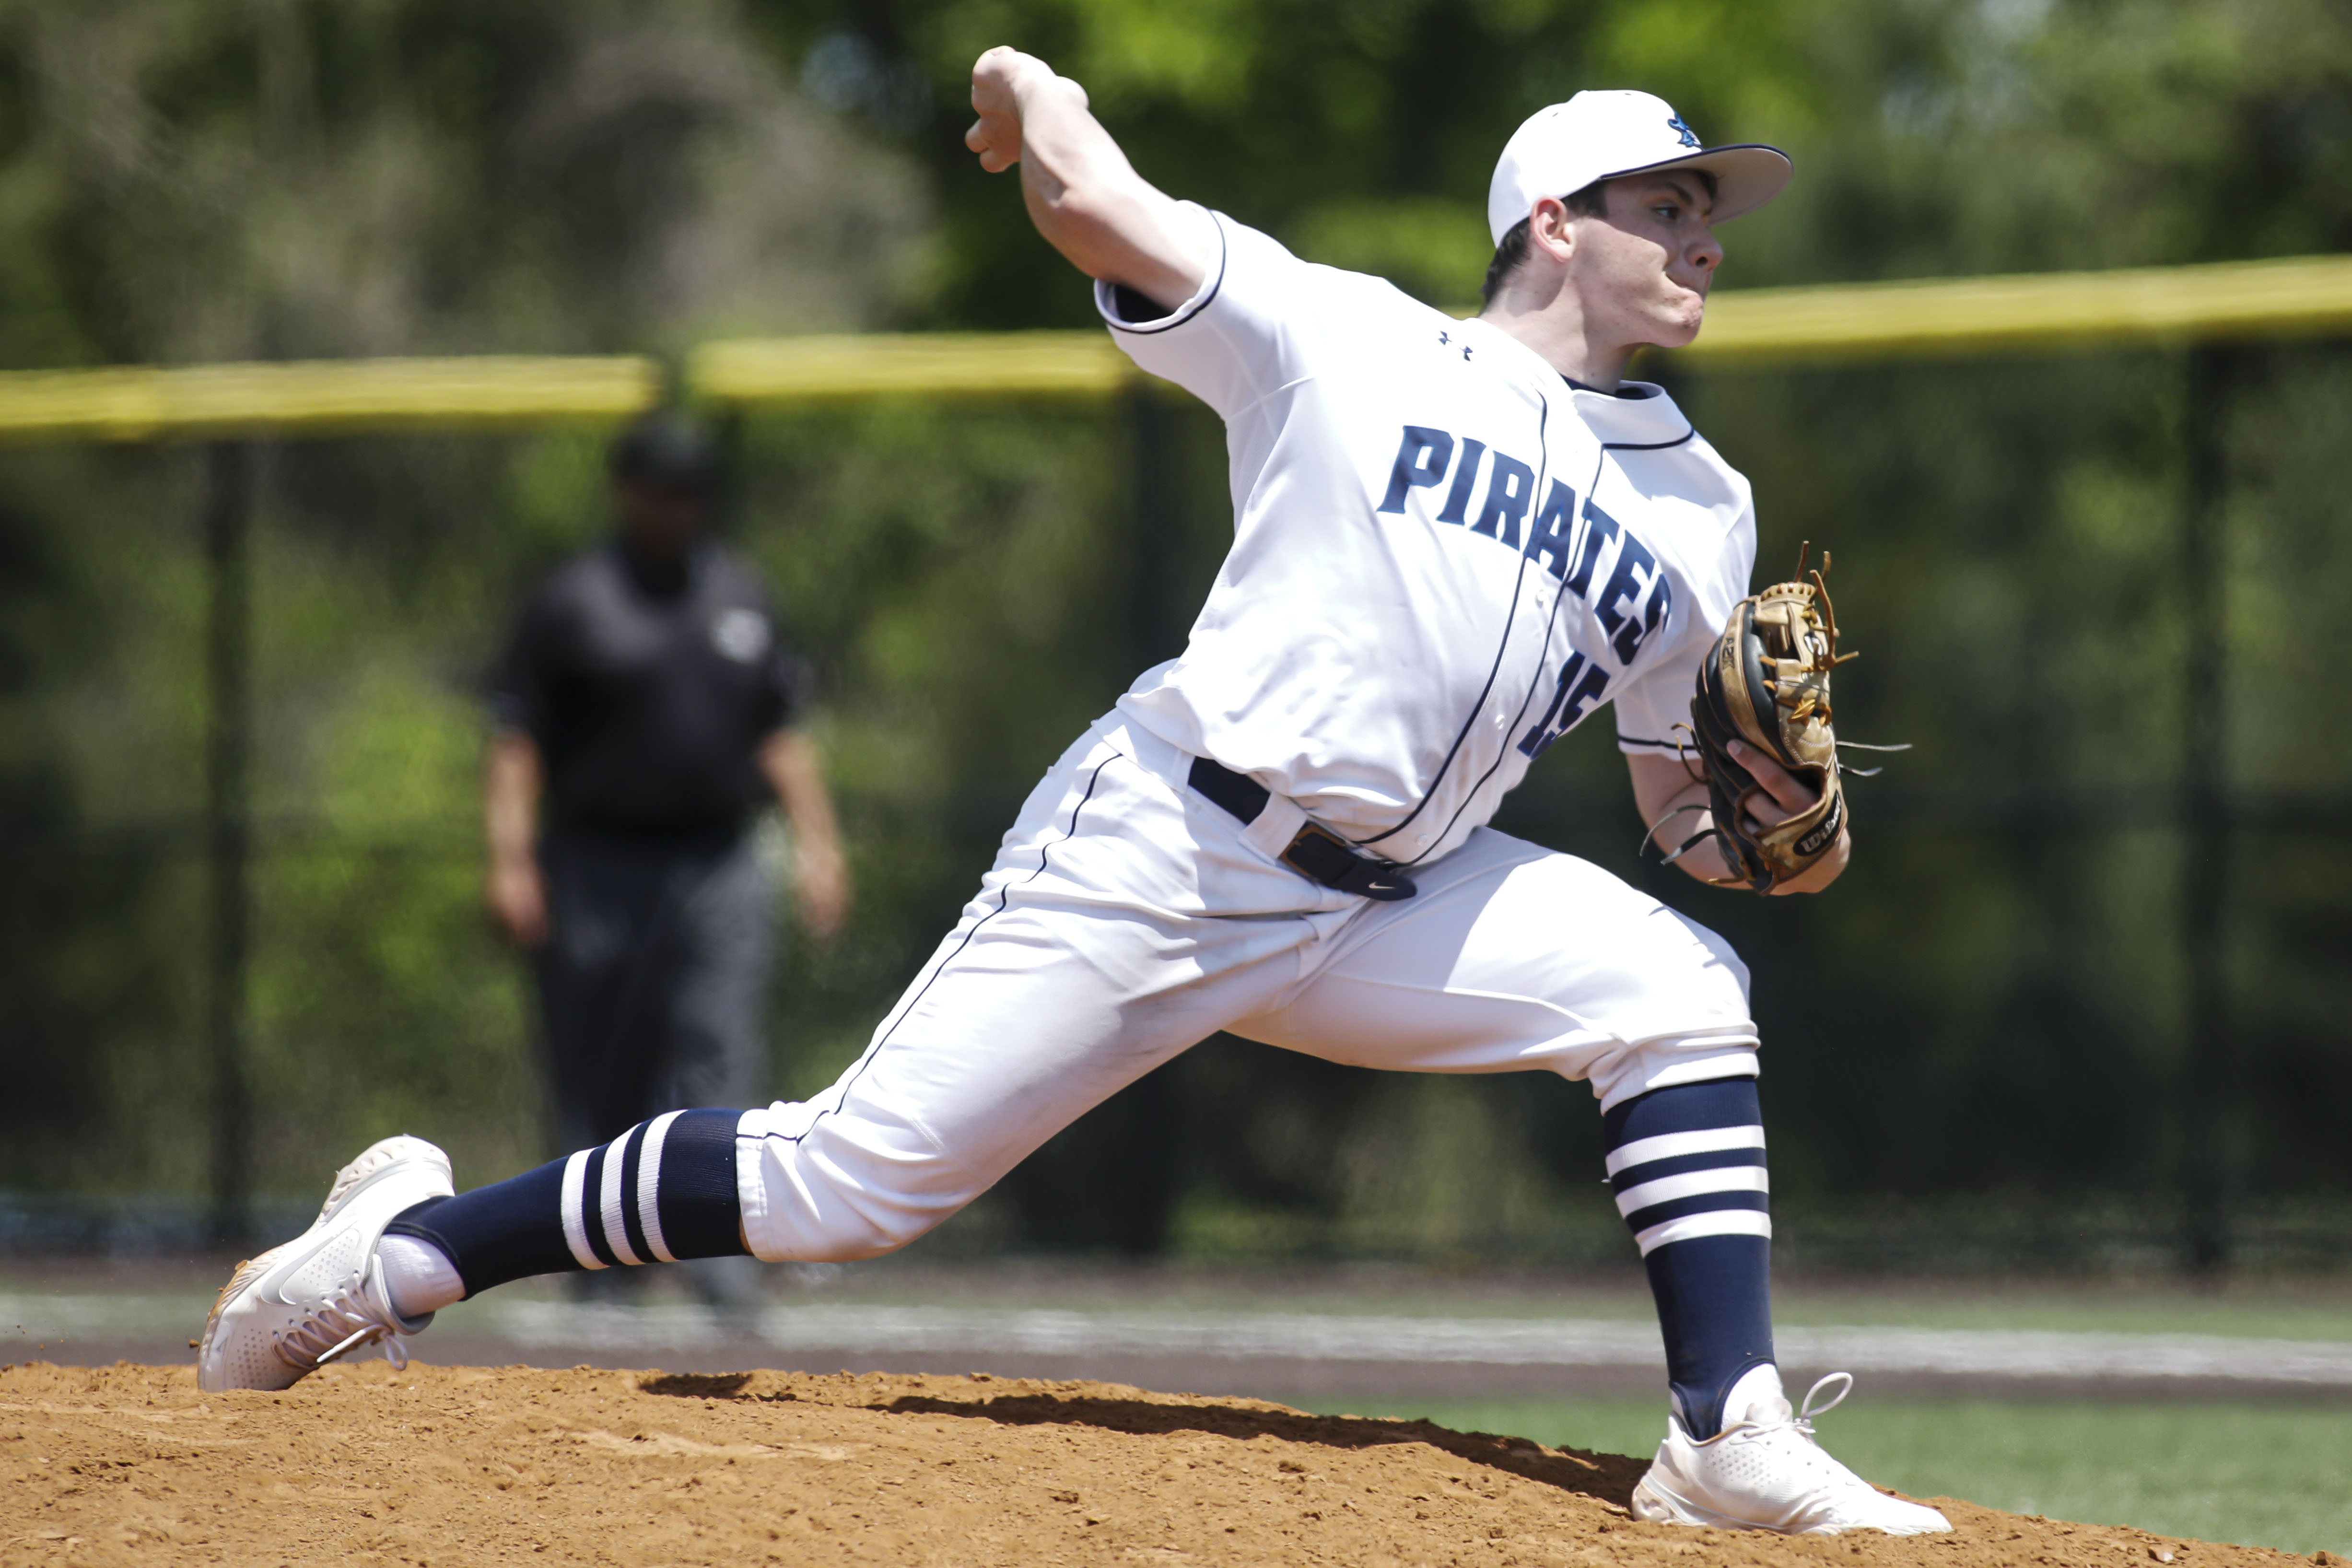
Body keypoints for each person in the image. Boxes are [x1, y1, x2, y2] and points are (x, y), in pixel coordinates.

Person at [199, 55, 1948, 1537]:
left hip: (1393, 896)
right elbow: (1101, 211)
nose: (1705, 230)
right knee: (845, 1192)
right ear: (1551, 221)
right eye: (1666, 200)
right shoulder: (1348, 339)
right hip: (1178, 840)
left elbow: (1675, 801)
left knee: (1677, 992)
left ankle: (1723, 1434)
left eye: (1709, 207)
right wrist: (1033, 93)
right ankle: (399, 1256)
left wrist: (1763, 841)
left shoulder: (1701, 509)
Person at [481, 414, 850, 1304]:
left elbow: (780, 736)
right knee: (601, 1069)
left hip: (718, 863)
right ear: (626, 493)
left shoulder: (741, 597)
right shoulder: (574, 601)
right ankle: (601, 1282)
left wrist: (820, 847)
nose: (675, 508)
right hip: (595, 864)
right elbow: (517, 742)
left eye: (690, 492)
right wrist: (510, 859)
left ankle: (724, 1271)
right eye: (660, 490)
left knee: (719, 1057)